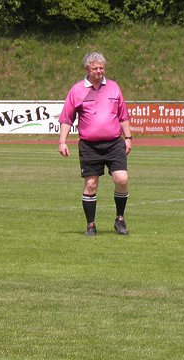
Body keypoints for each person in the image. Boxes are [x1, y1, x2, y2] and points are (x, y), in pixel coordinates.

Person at [59, 52, 132, 236]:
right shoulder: (76, 90)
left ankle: (120, 219)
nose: (99, 71)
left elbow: (123, 115)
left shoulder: (114, 87)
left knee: (122, 179)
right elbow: (67, 118)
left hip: (114, 143)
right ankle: (91, 225)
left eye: (101, 68)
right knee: (91, 184)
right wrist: (62, 141)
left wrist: (128, 138)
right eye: (95, 68)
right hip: (89, 146)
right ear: (87, 69)